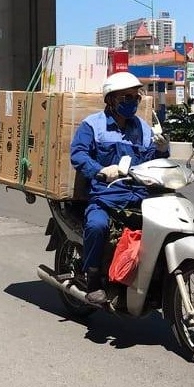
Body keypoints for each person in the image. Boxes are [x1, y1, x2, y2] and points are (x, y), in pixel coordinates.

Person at [69, 72, 170, 304]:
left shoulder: (143, 128)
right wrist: (100, 170)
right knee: (97, 225)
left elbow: (153, 159)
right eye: (126, 97)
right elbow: (78, 154)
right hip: (106, 195)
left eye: (136, 97)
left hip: (138, 195)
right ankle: (93, 279)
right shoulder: (93, 125)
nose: (132, 101)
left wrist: (163, 150)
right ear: (111, 99)